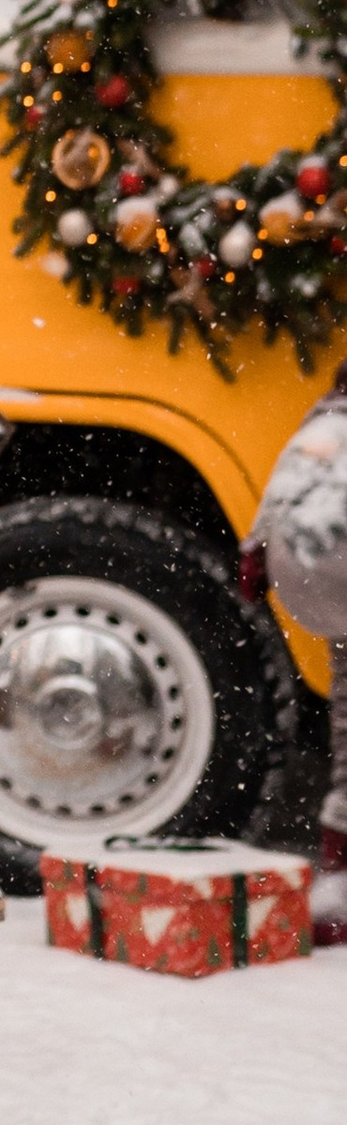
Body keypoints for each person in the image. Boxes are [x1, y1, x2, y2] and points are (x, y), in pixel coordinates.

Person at [250, 366, 347, 943]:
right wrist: (258, 544)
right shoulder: (332, 420)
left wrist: (257, 545)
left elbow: (285, 488)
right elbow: (289, 488)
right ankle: (341, 869)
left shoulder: (327, 419)